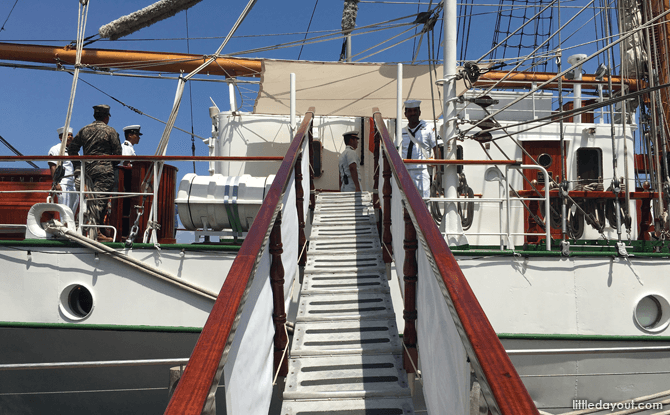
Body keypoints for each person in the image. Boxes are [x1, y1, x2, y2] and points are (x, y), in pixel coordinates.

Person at [68, 104, 122, 242]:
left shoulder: (84, 130)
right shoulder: (110, 131)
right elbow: (118, 154)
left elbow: (72, 149)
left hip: (88, 171)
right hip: (104, 171)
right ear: (106, 117)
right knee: (100, 201)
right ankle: (96, 232)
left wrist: (78, 166)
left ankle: (97, 230)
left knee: (93, 200)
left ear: (94, 116)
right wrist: (111, 164)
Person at [401, 99, 437, 198]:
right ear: (405, 114)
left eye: (415, 111)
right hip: (405, 171)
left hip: (422, 171)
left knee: (424, 200)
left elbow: (436, 148)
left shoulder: (429, 128)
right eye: (410, 111)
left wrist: (438, 171)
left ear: (419, 112)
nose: (412, 113)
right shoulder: (401, 132)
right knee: (405, 200)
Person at [48, 126, 79, 214]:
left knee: (72, 211)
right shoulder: (55, 149)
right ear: (61, 138)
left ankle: (70, 227)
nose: (70, 137)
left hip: (73, 185)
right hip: (63, 183)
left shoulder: (75, 152)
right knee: (64, 211)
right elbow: (52, 166)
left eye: (71, 135)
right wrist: (56, 183)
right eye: (67, 135)